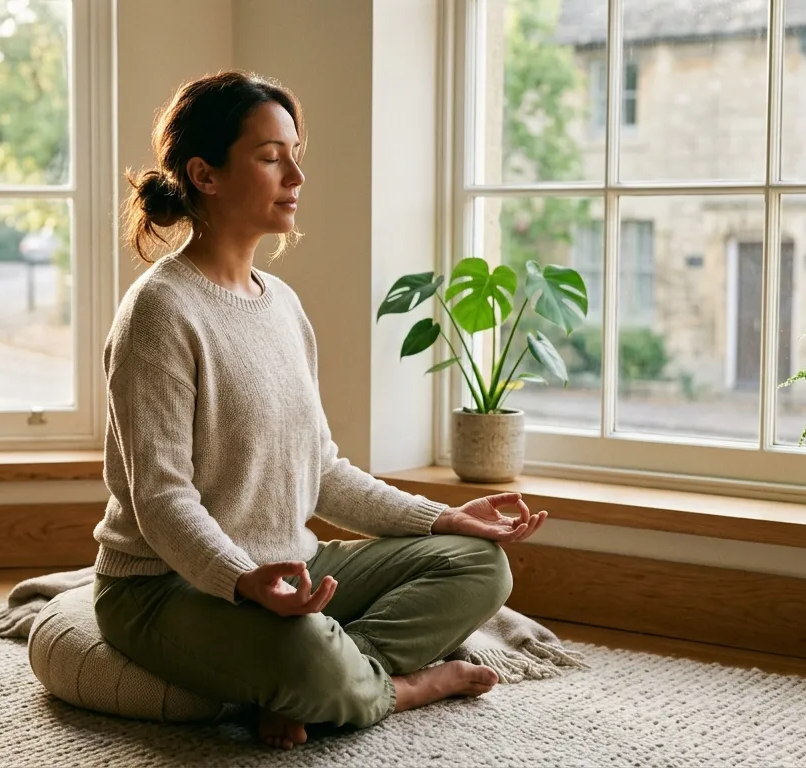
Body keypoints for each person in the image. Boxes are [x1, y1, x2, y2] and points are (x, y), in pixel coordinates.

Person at [91, 70, 548, 751]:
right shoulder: (160, 312)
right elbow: (162, 500)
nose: (296, 175)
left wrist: (444, 517)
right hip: (163, 590)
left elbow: (324, 471)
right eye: (271, 156)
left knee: (480, 565)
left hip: (292, 564)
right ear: (204, 175)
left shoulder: (281, 305)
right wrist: (244, 583)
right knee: (302, 652)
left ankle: (324, 678)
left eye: (295, 153)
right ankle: (397, 686)